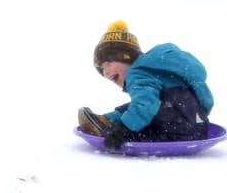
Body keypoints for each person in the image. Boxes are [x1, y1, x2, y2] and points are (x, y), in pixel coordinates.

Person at [78, 20, 214, 149]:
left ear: (125, 57)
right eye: (101, 70)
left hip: (173, 134)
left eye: (107, 63)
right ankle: (106, 121)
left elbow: (146, 104)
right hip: (197, 129)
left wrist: (124, 129)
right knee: (136, 108)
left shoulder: (136, 73)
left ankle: (110, 126)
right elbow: (207, 100)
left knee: (139, 111)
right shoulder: (159, 71)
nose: (105, 72)